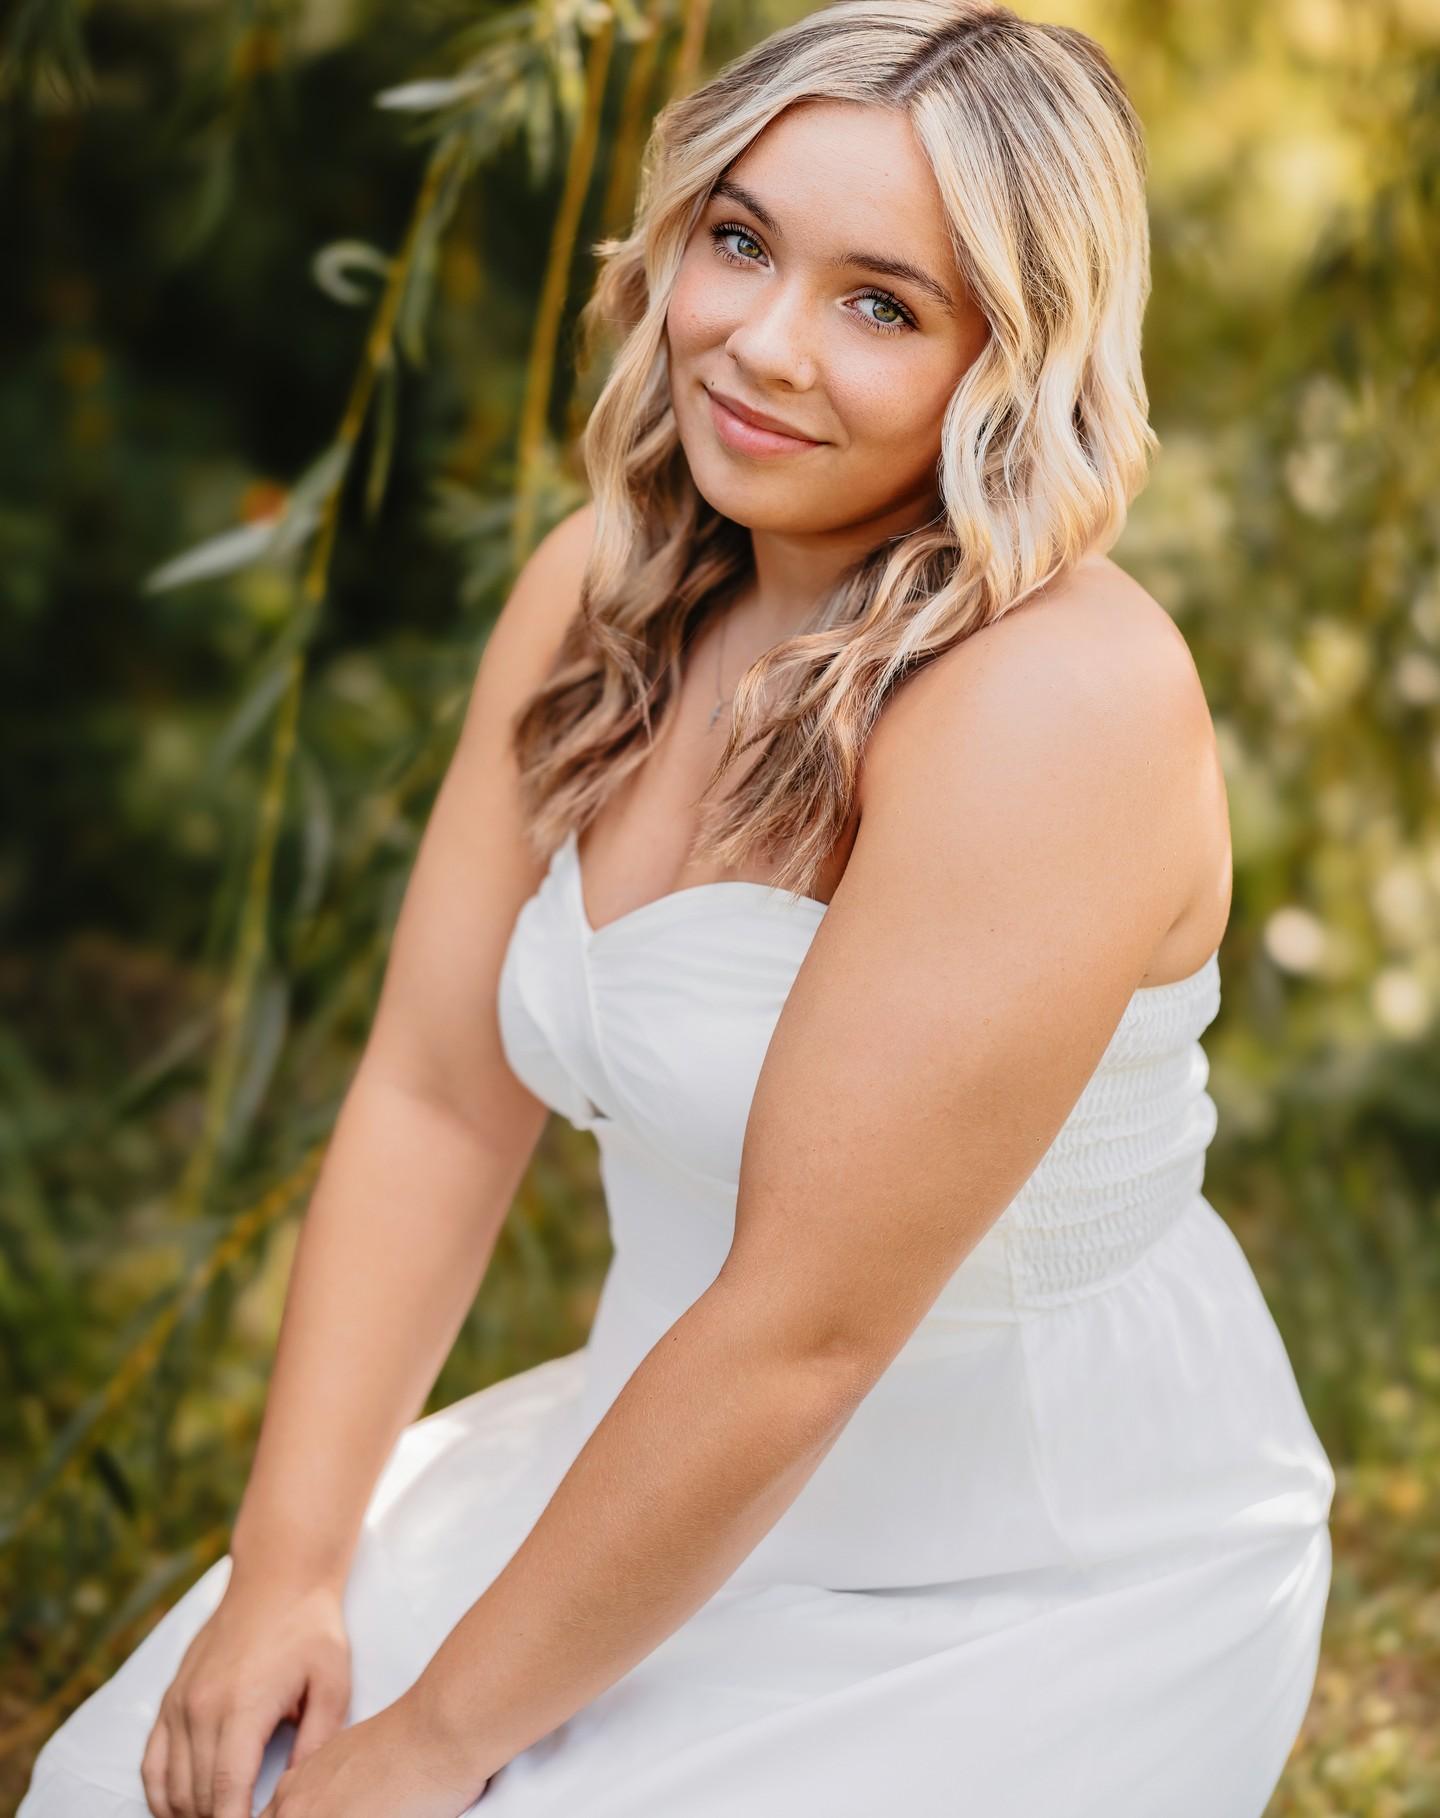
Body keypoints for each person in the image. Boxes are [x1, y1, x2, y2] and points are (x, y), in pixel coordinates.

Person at [18, 2, 1337, 1814]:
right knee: (119, 1793)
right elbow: (429, 1091)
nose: (764, 345)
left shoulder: (1057, 704)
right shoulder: (605, 586)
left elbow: (804, 1330)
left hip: (1012, 1561)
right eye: (741, 240)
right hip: (646, 1457)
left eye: (883, 302)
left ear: (1008, 361)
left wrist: (435, 1743)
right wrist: (290, 1567)